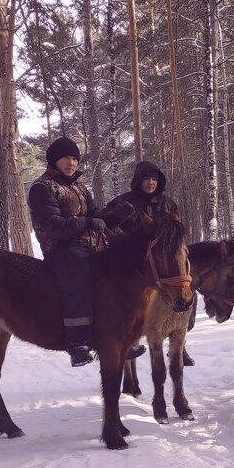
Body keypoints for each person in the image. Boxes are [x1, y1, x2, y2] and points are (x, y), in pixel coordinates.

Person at [28, 136, 146, 367]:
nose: (72, 163)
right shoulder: (42, 188)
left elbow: (96, 216)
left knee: (117, 274)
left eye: (75, 158)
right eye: (66, 158)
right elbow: (52, 225)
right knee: (80, 278)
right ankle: (77, 343)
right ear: (54, 160)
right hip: (61, 249)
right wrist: (88, 223)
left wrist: (116, 216)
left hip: (90, 246)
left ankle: (117, 333)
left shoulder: (79, 187)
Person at [104, 161, 197, 365]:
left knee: (186, 288)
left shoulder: (168, 203)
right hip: (133, 259)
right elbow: (108, 224)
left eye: (154, 179)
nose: (150, 183)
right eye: (146, 179)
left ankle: (180, 343)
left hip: (163, 257)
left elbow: (177, 229)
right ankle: (128, 338)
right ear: (138, 180)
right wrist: (125, 240)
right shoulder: (123, 202)